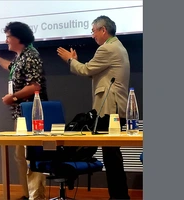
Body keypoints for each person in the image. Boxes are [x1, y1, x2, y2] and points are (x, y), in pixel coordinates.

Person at [57, 15, 131, 200]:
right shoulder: (117, 46)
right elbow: (95, 73)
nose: (92, 35)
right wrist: (76, 62)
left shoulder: (107, 49)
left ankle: (119, 197)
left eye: (93, 31)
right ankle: (119, 196)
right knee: (112, 156)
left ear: (103, 30)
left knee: (112, 157)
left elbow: (86, 70)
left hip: (109, 110)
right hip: (115, 109)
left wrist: (69, 60)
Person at [0, 21, 48, 200]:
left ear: (19, 38)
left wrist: (13, 97)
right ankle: (27, 194)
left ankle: (36, 195)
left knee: (31, 156)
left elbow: (35, 85)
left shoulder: (31, 55)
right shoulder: (21, 56)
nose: (6, 40)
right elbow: (12, 68)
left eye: (8, 37)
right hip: (21, 115)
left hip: (32, 114)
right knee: (20, 155)